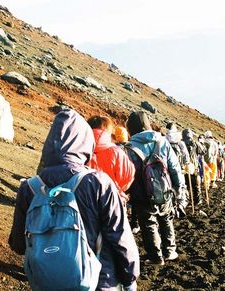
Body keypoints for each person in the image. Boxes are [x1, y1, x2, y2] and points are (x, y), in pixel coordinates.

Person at [8, 109, 139, 290]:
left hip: (47, 281)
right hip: (98, 280)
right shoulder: (98, 182)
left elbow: (18, 245)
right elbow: (120, 237)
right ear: (85, 142)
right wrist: (130, 278)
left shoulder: (29, 187)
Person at [125, 111, 187, 266]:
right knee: (166, 219)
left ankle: (155, 257)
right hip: (164, 190)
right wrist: (179, 189)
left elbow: (129, 173)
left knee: (148, 224)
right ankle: (170, 251)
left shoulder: (130, 147)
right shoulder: (162, 141)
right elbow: (174, 167)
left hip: (142, 193)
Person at [87, 116, 135, 203]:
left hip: (79, 200)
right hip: (111, 202)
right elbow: (127, 177)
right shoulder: (118, 152)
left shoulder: (76, 146)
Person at [182, 128, 206, 205]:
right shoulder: (196, 143)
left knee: (186, 185)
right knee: (196, 185)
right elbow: (203, 151)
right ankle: (198, 200)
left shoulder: (181, 143)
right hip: (194, 167)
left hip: (184, 168)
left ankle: (187, 200)